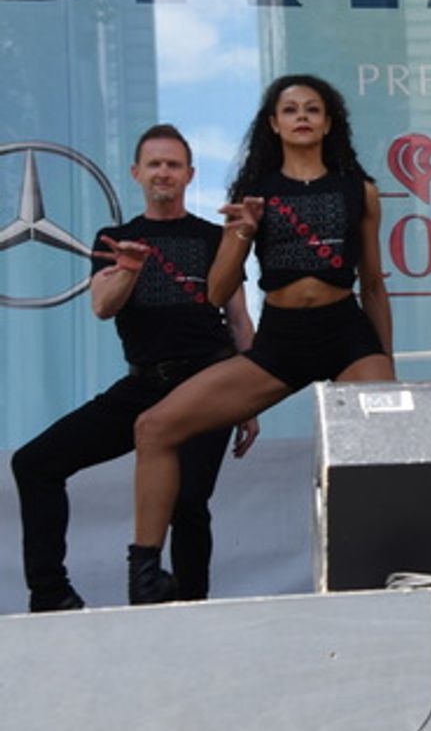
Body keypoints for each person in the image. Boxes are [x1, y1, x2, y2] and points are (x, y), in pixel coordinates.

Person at [126, 75, 394, 604]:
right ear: (273, 124)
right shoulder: (255, 195)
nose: (302, 117)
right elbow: (216, 292)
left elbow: (374, 283)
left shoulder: (358, 190)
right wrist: (243, 230)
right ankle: (145, 576)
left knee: (388, 439)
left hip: (347, 335)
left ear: (329, 122)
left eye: (312, 109)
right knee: (152, 428)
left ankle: (384, 567)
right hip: (281, 342)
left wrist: (387, 363)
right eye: (290, 110)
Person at [11, 125, 258, 611]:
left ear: (189, 175)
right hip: (144, 385)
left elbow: (238, 319)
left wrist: (249, 399)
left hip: (209, 383)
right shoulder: (116, 239)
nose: (163, 172)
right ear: (136, 173)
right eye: (154, 164)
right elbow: (102, 307)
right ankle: (51, 594)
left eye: (173, 165)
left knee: (188, 500)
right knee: (34, 463)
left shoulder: (212, 237)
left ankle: (191, 608)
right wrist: (128, 269)